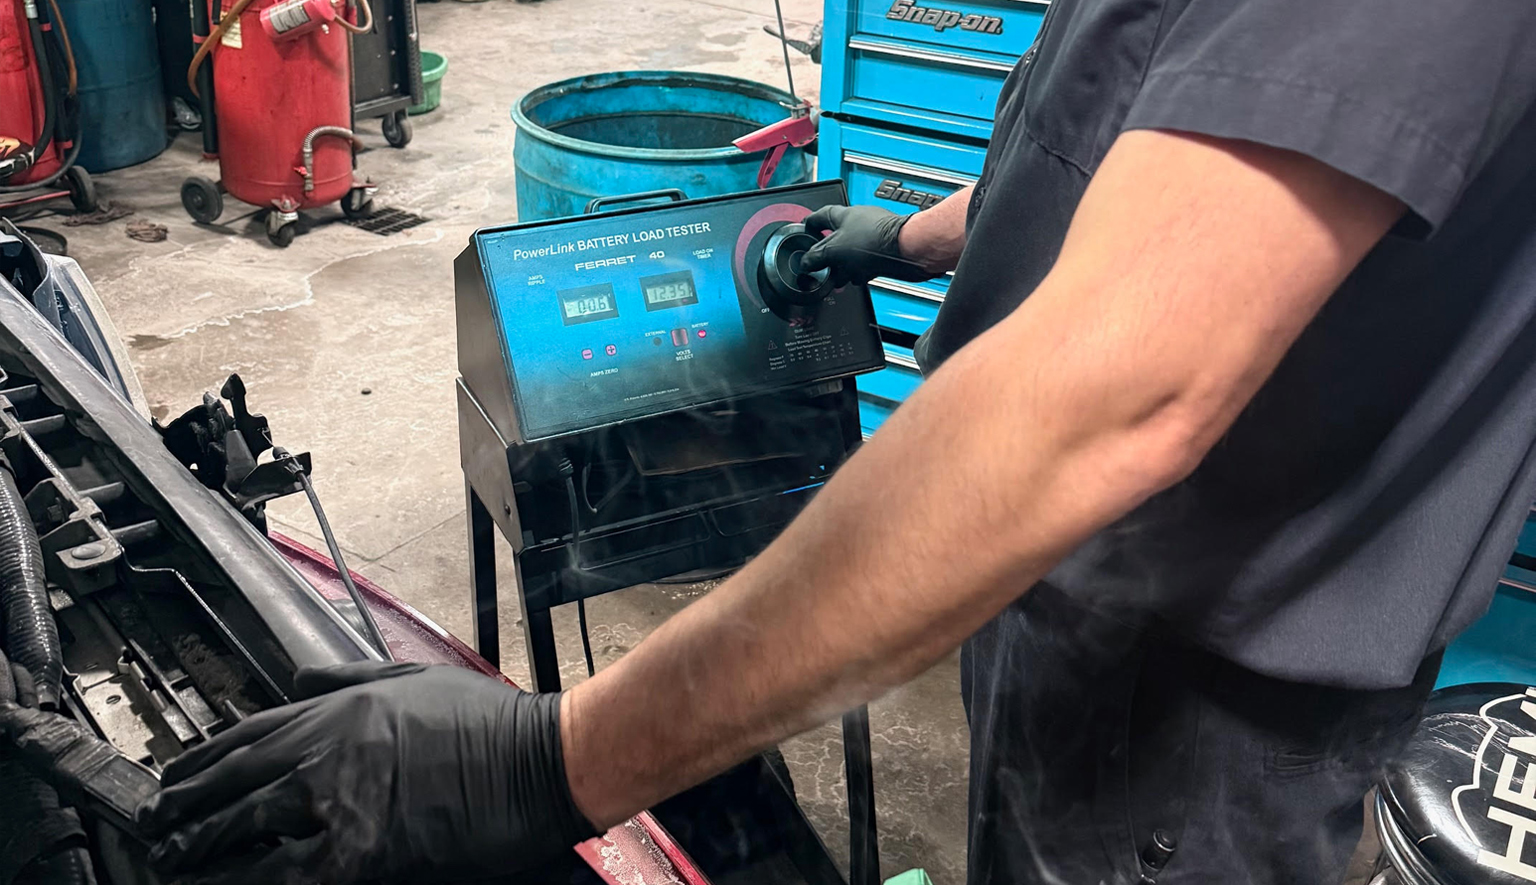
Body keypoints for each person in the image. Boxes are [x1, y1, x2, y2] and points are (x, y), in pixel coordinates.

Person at [128, 0, 1536, 882]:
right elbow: (1168, 154)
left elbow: (1110, 401)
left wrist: (547, 761)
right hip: (1077, 623)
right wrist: (917, 237)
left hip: (1200, 717)